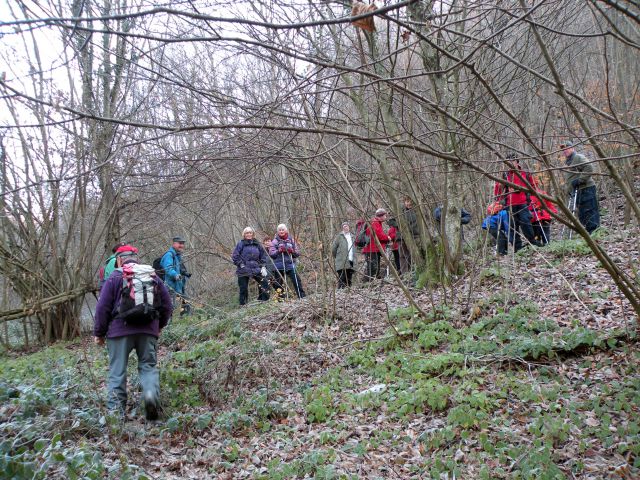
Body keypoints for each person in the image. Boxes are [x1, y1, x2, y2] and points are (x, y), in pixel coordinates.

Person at [94, 247, 173, 420]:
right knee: (148, 367)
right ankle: (151, 395)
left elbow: (102, 308)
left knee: (117, 372)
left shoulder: (114, 276)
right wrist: (159, 325)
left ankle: (116, 416)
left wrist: (99, 333)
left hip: (119, 331)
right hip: (148, 330)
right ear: (136, 259)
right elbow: (167, 304)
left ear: (119, 261)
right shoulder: (152, 275)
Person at [494, 153, 543, 252]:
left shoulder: (525, 173)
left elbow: (533, 187)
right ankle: (517, 247)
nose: (510, 164)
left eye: (512, 161)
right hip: (509, 204)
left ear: (517, 162)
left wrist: (533, 198)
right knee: (512, 226)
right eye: (508, 162)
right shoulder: (504, 174)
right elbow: (498, 191)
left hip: (523, 203)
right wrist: (498, 201)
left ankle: (532, 242)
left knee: (526, 222)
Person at [561, 141, 600, 234]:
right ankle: (589, 234)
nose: (565, 151)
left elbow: (589, 168)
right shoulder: (568, 162)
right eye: (563, 149)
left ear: (572, 148)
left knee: (590, 211)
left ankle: (594, 234)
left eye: (567, 148)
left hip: (587, 188)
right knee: (582, 214)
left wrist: (580, 180)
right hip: (578, 191)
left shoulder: (578, 157)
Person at [231, 227, 269, 305]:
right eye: (247, 233)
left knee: (264, 283)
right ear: (244, 234)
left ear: (253, 234)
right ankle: (243, 305)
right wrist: (241, 264)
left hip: (256, 268)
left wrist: (263, 266)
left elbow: (263, 256)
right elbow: (235, 256)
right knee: (243, 288)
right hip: (243, 269)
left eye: (250, 232)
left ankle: (264, 301)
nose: (248, 234)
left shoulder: (257, 244)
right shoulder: (240, 244)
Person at [269, 224, 306, 299]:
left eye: (283, 229)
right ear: (278, 231)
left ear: (286, 230)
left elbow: (297, 253)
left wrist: (292, 251)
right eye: (280, 230)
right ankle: (281, 299)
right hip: (279, 266)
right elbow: (271, 253)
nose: (281, 231)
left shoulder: (291, 240)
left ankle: (302, 297)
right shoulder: (275, 241)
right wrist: (278, 251)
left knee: (296, 280)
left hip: (289, 264)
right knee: (278, 283)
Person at [362, 208, 391, 281]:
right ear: (380, 216)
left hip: (374, 249)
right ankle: (370, 282)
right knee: (373, 267)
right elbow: (379, 235)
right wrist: (387, 238)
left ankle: (372, 281)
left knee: (374, 266)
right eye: (385, 215)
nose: (385, 217)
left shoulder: (376, 222)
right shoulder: (375, 222)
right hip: (372, 249)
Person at [160, 236, 186, 307]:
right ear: (174, 244)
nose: (182, 245)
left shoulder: (177, 255)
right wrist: (175, 275)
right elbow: (168, 268)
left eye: (183, 243)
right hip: (168, 286)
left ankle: (182, 316)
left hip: (175, 286)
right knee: (169, 308)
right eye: (179, 243)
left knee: (177, 307)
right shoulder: (169, 255)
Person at [331, 222, 357, 288]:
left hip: (351, 260)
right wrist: (337, 257)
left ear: (349, 227)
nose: (346, 228)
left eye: (347, 226)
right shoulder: (339, 237)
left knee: (349, 279)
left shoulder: (353, 236)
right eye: (344, 226)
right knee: (342, 279)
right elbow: (333, 249)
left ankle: (348, 292)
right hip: (341, 261)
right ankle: (340, 293)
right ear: (342, 228)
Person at [398, 197, 420, 273]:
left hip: (415, 236)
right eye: (407, 201)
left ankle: (412, 271)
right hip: (402, 236)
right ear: (404, 202)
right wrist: (402, 226)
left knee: (413, 254)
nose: (409, 203)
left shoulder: (417, 210)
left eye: (410, 201)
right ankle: (405, 273)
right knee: (403, 255)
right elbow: (391, 221)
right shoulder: (400, 210)